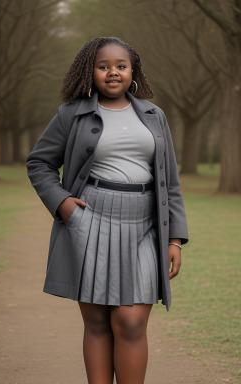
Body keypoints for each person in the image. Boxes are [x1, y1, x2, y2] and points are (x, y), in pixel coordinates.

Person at [26, 36, 189, 384]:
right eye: (104, 67)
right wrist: (63, 203)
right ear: (91, 70)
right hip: (91, 219)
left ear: (133, 71)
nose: (112, 73)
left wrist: (175, 237)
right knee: (98, 321)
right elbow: (39, 163)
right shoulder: (71, 114)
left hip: (145, 225)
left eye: (121, 66)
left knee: (130, 322)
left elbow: (170, 182)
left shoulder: (153, 115)